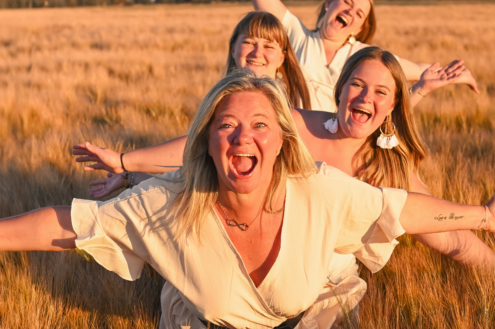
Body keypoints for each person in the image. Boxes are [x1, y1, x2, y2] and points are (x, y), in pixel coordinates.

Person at [4, 70, 495, 329]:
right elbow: (73, 224)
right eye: (227, 125)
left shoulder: (318, 187)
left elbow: (399, 208)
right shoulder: (168, 202)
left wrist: (485, 216)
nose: (243, 138)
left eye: (260, 125)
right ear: (207, 141)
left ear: (283, 139)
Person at [218, 0, 480, 111]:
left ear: (362, 27)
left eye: (359, 14)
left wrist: (460, 75)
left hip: (336, 145)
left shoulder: (365, 55)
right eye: (347, 3)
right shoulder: (295, 34)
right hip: (293, 140)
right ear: (329, 3)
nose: (350, 13)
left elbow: (421, 71)